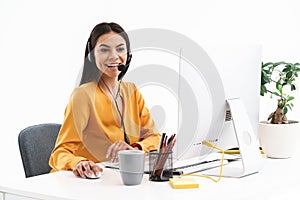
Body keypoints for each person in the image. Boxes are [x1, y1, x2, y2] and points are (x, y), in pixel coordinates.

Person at [49, 22, 161, 178]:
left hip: (119, 179)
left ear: (128, 55)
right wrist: (78, 163)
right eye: (104, 50)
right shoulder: (83, 95)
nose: (114, 56)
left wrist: (135, 150)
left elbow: (155, 137)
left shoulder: (132, 92)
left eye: (120, 49)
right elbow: (60, 152)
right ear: (92, 54)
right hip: (87, 182)